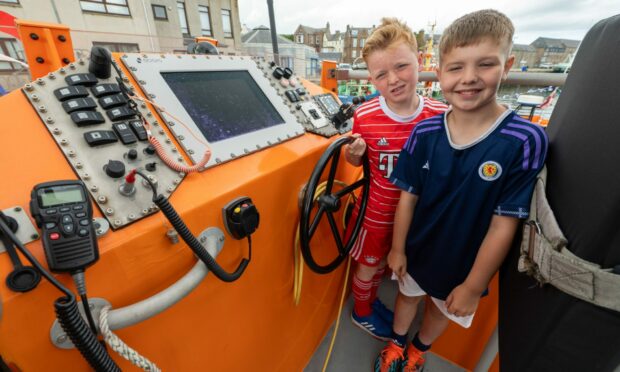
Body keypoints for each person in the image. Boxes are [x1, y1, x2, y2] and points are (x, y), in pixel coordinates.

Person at [374, 9, 549, 371]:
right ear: (439, 74)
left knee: (441, 309)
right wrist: (397, 248)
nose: (469, 78)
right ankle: (397, 342)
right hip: (417, 250)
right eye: (456, 68)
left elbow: (505, 222)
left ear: (507, 65)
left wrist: (473, 285)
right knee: (407, 298)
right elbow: (409, 196)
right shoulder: (424, 134)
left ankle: (419, 349)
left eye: (485, 64)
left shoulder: (525, 140)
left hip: (465, 265)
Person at [344, 18, 447, 341]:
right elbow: (356, 162)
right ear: (372, 79)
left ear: (418, 61)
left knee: (404, 270)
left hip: (418, 219)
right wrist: (353, 155)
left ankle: (373, 303)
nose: (393, 79)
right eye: (381, 75)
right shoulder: (365, 116)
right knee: (368, 266)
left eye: (401, 66)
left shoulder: (439, 114)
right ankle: (362, 310)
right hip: (375, 215)